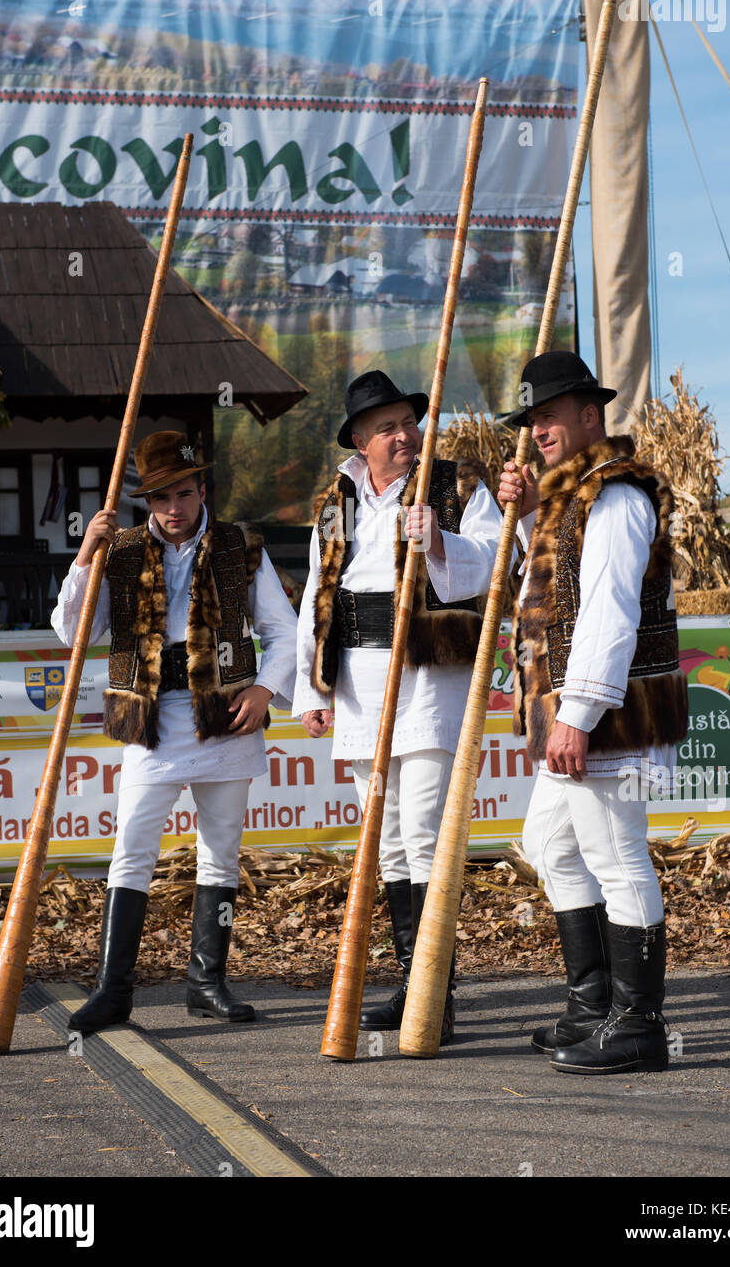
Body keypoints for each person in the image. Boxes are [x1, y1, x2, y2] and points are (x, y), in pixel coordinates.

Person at [51, 432, 298, 1033]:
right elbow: (69, 631)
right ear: (145, 503)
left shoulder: (242, 547)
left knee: (220, 851)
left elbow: (286, 631)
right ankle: (114, 991)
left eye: (183, 494)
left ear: (202, 489)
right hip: (151, 719)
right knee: (132, 851)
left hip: (227, 715)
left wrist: (265, 690)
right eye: (160, 498)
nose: (174, 508)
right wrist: (87, 555)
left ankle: (206, 982)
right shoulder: (124, 550)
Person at [293, 370, 505, 1043]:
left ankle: (432, 1000)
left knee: (422, 836)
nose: (402, 435)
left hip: (428, 681)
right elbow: (316, 595)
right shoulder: (338, 499)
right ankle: (415, 984)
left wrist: (438, 542)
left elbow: (501, 558)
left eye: (408, 422)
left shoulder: (456, 483)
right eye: (385, 427)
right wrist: (310, 689)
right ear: (359, 439)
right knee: (384, 845)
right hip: (358, 681)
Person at [499, 352, 687, 1075]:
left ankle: (637, 1026)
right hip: (578, 716)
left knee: (615, 855)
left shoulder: (612, 498)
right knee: (551, 846)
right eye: (532, 419)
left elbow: (606, 616)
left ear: (589, 414)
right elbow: (548, 592)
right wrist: (522, 520)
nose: (539, 429)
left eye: (550, 415)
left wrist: (576, 716)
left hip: (612, 715)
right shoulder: (569, 500)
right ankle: (592, 1006)